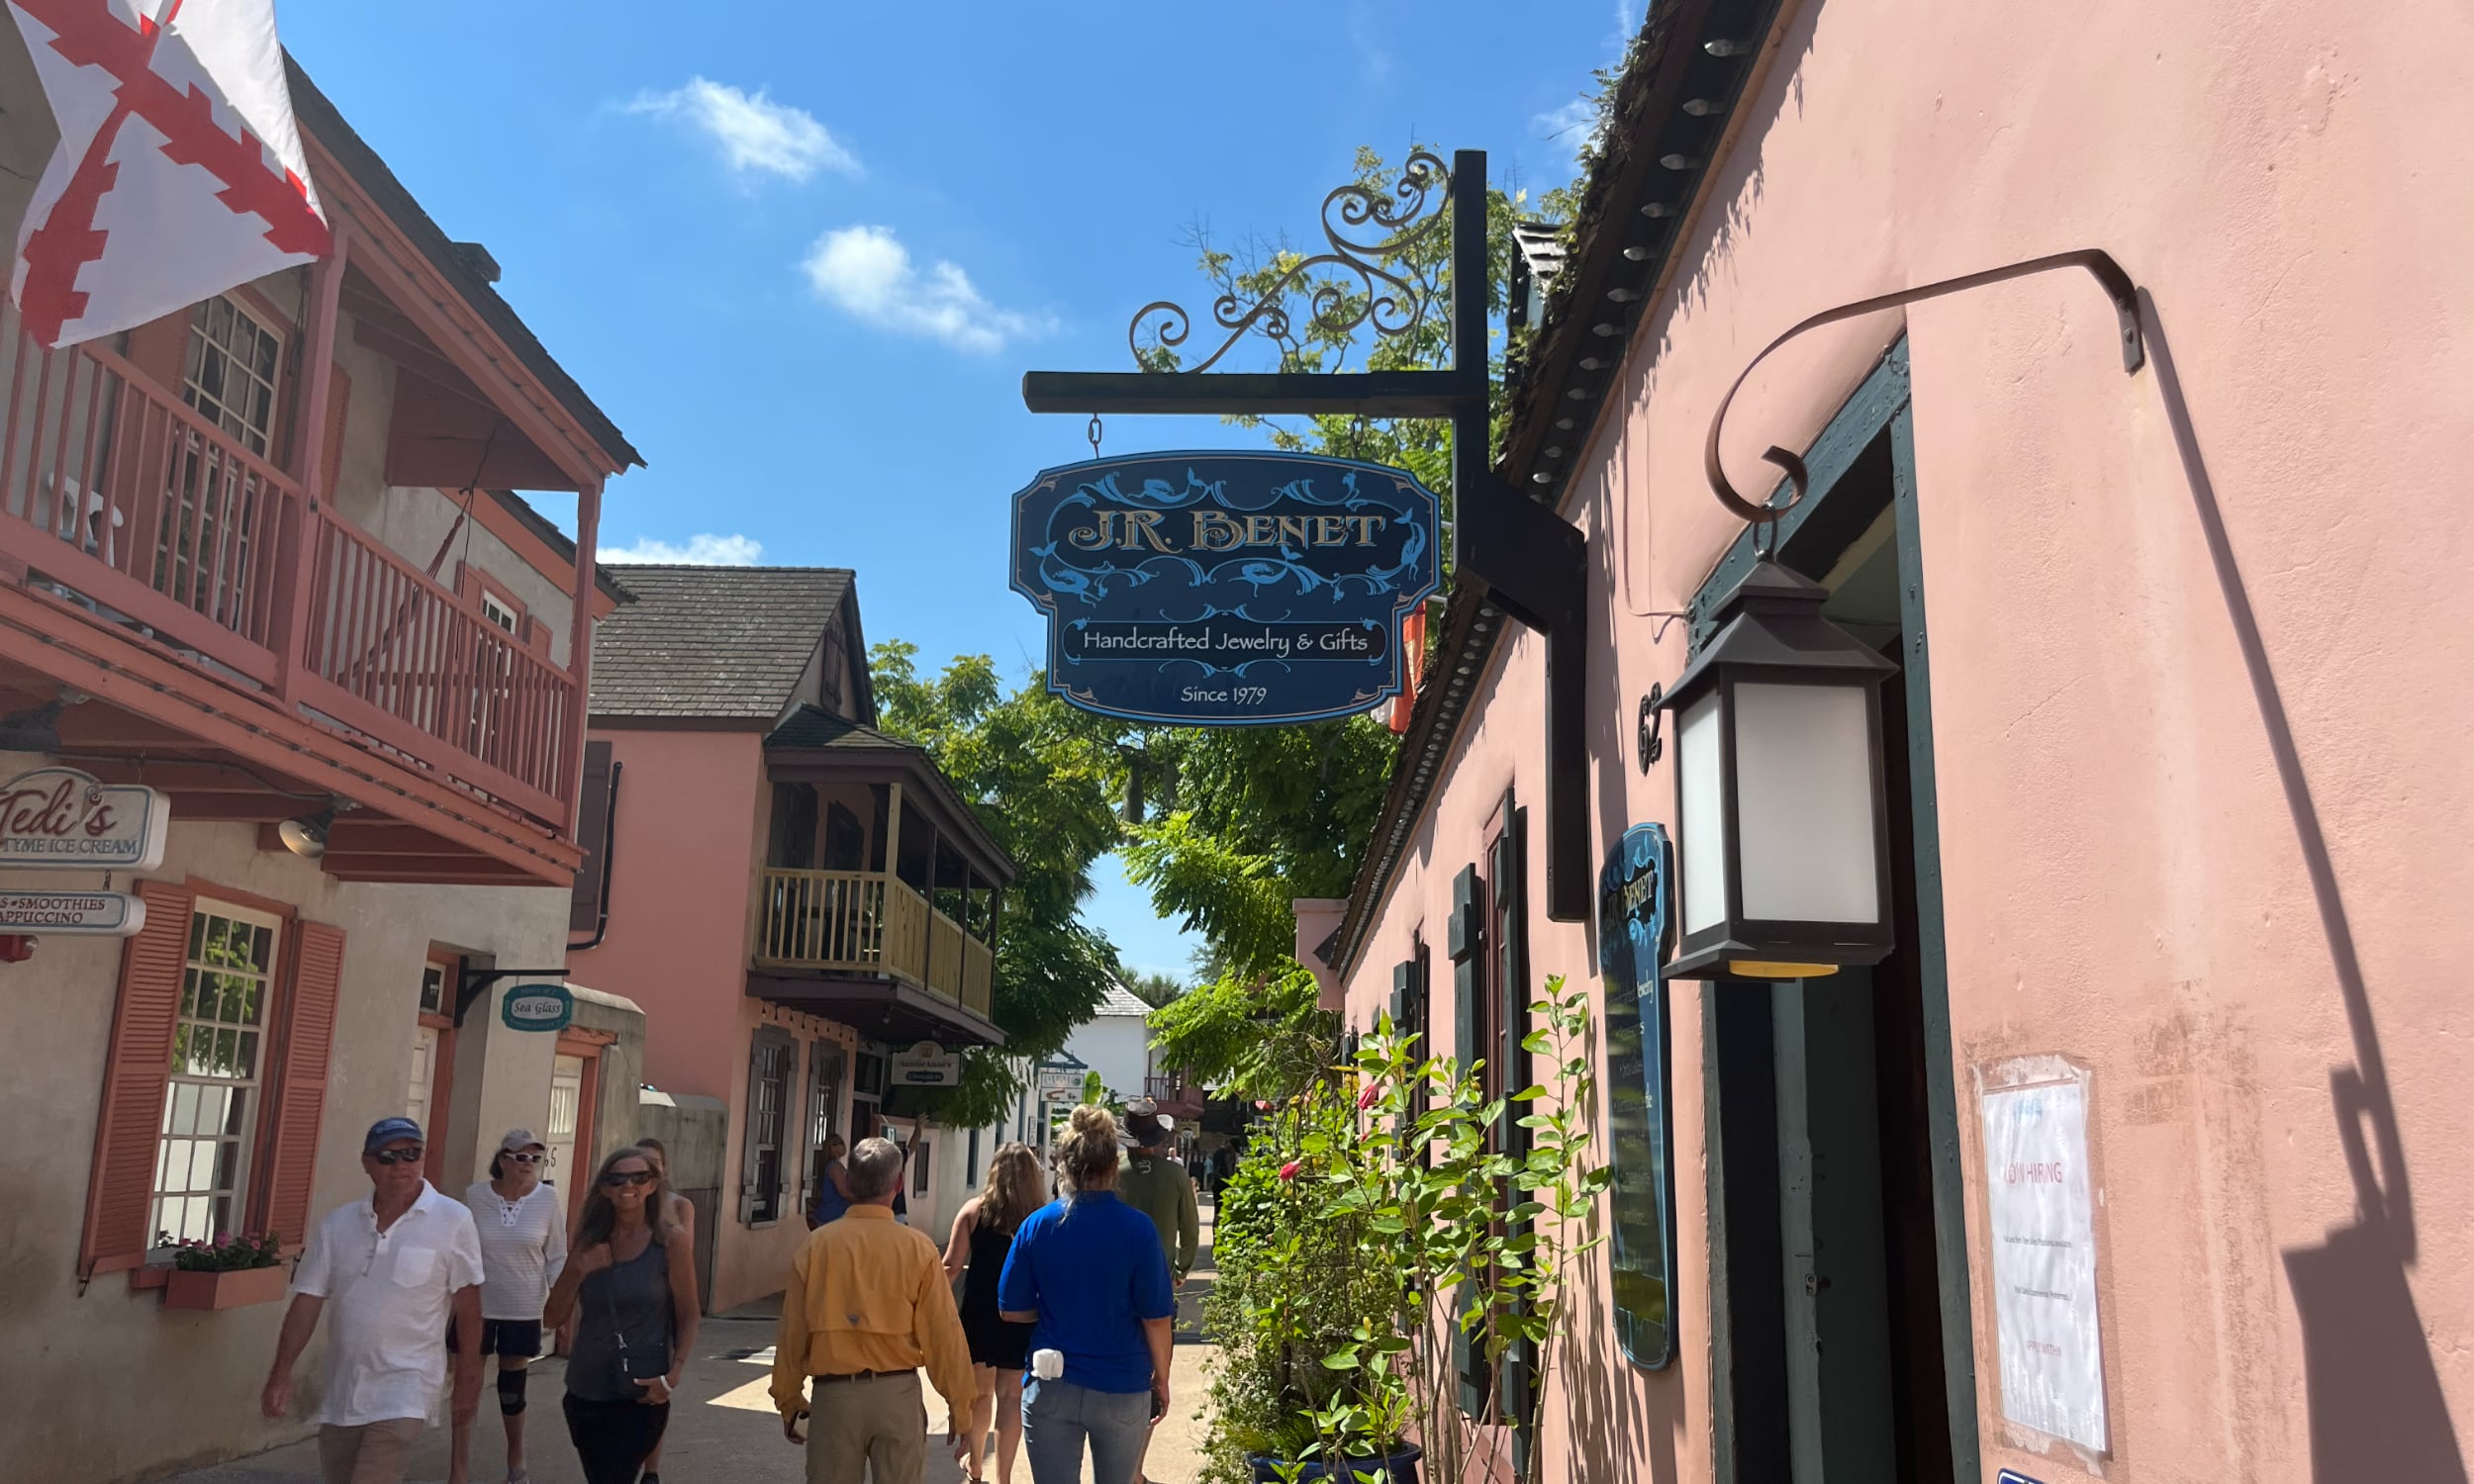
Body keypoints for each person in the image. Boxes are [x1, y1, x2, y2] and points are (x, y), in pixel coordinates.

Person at [261, 1116, 486, 1484]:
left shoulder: (453, 1220)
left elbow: (470, 1308)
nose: (401, 1165)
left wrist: (468, 1378)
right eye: (388, 1157)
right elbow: (307, 1301)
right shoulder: (338, 1225)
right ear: (367, 1163)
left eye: (411, 1154)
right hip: (343, 1390)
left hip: (407, 1386)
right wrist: (281, 1372)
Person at [772, 1137, 977, 1484]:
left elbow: (793, 1332)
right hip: (897, 1394)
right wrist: (961, 1407)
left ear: (849, 1183)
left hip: (835, 1397)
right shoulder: (918, 1249)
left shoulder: (816, 1246)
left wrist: (789, 1399)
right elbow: (943, 1335)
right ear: (898, 1184)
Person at [997, 1106, 1176, 1484]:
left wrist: (1052, 1311)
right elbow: (1156, 1318)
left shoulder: (1037, 1226)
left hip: (1052, 1383)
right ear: (1113, 1166)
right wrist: (1161, 1378)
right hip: (1122, 1384)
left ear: (1064, 1165)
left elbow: (1011, 1310)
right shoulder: (1139, 1230)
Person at [542, 1147, 701, 1484]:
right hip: (587, 1389)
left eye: (639, 1177)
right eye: (617, 1179)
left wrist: (674, 1373)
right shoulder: (589, 1242)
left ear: (653, 1184)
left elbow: (689, 1313)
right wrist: (578, 1269)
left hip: (643, 1390)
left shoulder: (670, 1242)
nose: (628, 1185)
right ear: (604, 1188)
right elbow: (552, 1318)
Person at [454, 1129, 568, 1484]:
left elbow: (557, 1255)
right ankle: (458, 1470)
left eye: (535, 1158)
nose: (528, 1163)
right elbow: (460, 1252)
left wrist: (562, 1305)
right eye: (521, 1157)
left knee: (512, 1391)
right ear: (503, 1160)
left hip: (522, 1307)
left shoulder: (548, 1199)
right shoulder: (475, 1197)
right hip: (478, 1308)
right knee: (466, 1389)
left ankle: (516, 1463)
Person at [941, 1144, 1043, 1484]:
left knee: (980, 1393)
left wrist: (926, 1303)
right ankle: (1004, 1477)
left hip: (980, 1312)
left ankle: (975, 1464)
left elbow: (951, 1266)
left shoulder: (974, 1211)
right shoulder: (1040, 1217)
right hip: (1022, 1312)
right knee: (1012, 1396)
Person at [629, 1138, 698, 1484]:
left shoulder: (679, 1206)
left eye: (654, 1163)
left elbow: (684, 1252)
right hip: (628, 1308)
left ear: (664, 1168)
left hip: (663, 1307)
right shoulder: (624, 1202)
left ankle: (651, 1471)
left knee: (656, 1390)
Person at [1114, 1101, 1198, 1289]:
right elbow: (1190, 1230)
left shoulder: (1112, 1175)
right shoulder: (1176, 1174)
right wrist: (1181, 1271)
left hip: (1119, 1278)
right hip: (1161, 1276)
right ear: (1157, 1137)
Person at [808, 1133, 853, 1228]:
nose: (843, 1145)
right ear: (833, 1147)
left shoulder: (831, 1165)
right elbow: (844, 1192)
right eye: (840, 1143)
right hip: (835, 1213)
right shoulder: (835, 1167)